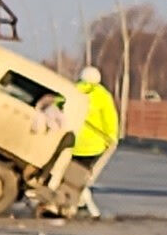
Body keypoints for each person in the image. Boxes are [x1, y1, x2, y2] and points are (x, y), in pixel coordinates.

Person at [49, 64, 119, 219]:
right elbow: (110, 119)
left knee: (66, 174)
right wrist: (112, 137)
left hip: (72, 143)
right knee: (80, 178)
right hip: (94, 146)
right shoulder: (103, 96)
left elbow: (57, 105)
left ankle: (67, 202)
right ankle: (75, 205)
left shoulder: (72, 90)